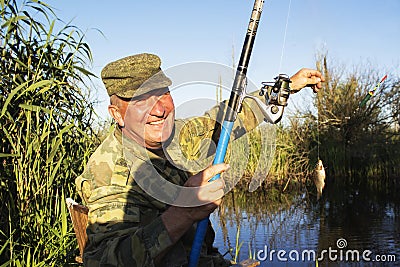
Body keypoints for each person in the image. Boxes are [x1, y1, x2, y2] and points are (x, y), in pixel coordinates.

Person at [75, 53, 324, 267]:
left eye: (162, 93)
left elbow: (225, 121)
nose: (159, 109)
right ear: (117, 114)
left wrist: (288, 85)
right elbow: (102, 260)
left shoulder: (174, 136)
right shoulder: (112, 173)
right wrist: (183, 213)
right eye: (141, 100)